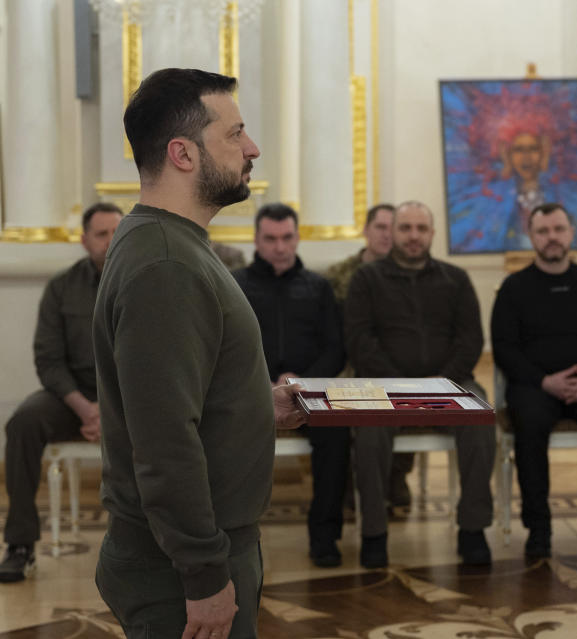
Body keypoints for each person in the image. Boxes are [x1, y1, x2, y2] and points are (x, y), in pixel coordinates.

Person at [92, 68, 306, 639]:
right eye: (235, 134)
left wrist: (258, 405)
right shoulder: (166, 263)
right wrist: (205, 577)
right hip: (180, 567)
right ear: (183, 154)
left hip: (196, 548)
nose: (252, 148)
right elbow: (163, 442)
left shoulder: (170, 243)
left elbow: (180, 394)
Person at [344, 200, 496, 569]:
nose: (413, 236)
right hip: (384, 385)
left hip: (451, 382)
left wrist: (440, 384)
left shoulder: (456, 279)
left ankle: (472, 529)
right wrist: (404, 385)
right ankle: (375, 533)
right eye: (406, 228)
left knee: (481, 416)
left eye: (421, 229)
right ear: (392, 232)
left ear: (432, 234)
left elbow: (470, 340)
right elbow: (360, 341)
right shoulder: (366, 279)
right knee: (367, 429)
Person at [491, 203, 577, 560]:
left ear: (571, 233)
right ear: (532, 237)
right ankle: (539, 530)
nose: (551, 238)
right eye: (543, 231)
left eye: (558, 229)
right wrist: (543, 381)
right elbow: (504, 348)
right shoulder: (513, 288)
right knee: (531, 425)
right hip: (535, 386)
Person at [0, 203, 123, 583]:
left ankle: (159, 543)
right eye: (101, 234)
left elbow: (158, 357)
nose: (110, 241)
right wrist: (87, 410)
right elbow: (48, 360)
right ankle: (20, 545)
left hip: (130, 396)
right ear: (84, 241)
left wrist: (112, 409)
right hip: (75, 396)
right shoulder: (61, 287)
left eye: (117, 232)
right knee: (22, 423)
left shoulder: (145, 282)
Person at [233, 203, 346, 567]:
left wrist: (300, 381)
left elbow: (335, 347)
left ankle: (325, 536)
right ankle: (234, 538)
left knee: (337, 434)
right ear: (256, 240)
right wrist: (262, 384)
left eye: (286, 238)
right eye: (270, 238)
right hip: (250, 393)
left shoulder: (319, 287)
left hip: (308, 392)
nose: (279, 247)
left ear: (297, 238)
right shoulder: (235, 286)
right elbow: (226, 346)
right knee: (223, 435)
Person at [325, 203, 415, 509]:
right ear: (366, 230)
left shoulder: (408, 274)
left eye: (394, 228)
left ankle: (397, 473)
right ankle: (351, 477)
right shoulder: (339, 276)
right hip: (348, 359)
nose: (387, 235)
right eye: (380, 227)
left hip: (392, 360)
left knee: (408, 383)